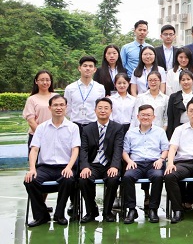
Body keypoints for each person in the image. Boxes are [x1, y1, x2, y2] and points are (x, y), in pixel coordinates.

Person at [24, 94, 79, 227]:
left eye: (61, 105)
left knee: (68, 179)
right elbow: (34, 149)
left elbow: (75, 150)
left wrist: (69, 167)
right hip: (45, 167)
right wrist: (32, 169)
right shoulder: (41, 127)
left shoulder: (73, 127)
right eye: (55, 105)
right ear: (50, 108)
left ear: (66, 107)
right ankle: (41, 215)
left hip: (64, 166)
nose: (58, 108)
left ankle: (59, 215)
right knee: (30, 180)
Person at [121, 104, 169, 224]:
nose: (145, 117)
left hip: (154, 163)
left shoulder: (160, 132)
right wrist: (129, 161)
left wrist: (161, 159)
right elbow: (125, 151)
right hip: (136, 163)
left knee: (158, 177)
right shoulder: (130, 133)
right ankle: (131, 209)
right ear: (138, 116)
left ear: (153, 117)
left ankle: (153, 209)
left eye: (148, 115)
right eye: (143, 115)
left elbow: (165, 149)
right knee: (127, 177)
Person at [79, 98, 124, 223]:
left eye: (106, 108)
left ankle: (107, 212)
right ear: (95, 110)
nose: (103, 111)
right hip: (93, 164)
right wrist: (85, 166)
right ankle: (91, 211)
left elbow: (118, 148)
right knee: (83, 179)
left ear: (111, 110)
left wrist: (114, 166)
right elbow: (83, 150)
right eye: (100, 108)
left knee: (113, 179)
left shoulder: (118, 128)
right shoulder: (87, 129)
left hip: (109, 164)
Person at [65, 56, 106, 129]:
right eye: (85, 66)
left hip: (93, 125)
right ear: (79, 68)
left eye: (90, 66)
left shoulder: (100, 88)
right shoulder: (70, 88)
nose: (88, 68)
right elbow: (67, 108)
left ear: (95, 69)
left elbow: (101, 107)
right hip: (75, 125)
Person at [166, 70, 193, 139]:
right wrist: (170, 136)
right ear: (179, 82)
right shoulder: (173, 97)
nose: (186, 82)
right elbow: (170, 118)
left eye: (188, 79)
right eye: (183, 80)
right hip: (178, 129)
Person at [23, 70, 54, 148]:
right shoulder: (31, 99)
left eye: (47, 80)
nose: (45, 82)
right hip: (36, 136)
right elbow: (31, 121)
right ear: (36, 81)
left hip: (55, 136)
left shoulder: (56, 97)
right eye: (42, 80)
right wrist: (43, 136)